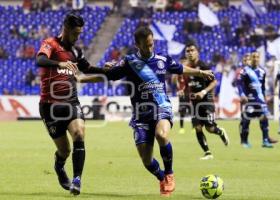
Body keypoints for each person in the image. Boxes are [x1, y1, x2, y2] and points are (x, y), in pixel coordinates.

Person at [76, 26, 214, 197]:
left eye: (151, 43)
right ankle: (162, 177)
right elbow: (107, 75)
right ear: (137, 45)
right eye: (146, 45)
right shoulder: (129, 62)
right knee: (146, 160)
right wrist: (83, 79)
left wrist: (200, 72)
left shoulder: (162, 59)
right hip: (141, 114)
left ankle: (169, 174)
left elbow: (180, 68)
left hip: (162, 106)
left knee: (162, 135)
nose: (150, 48)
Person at [36, 13, 110, 195]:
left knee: (79, 133)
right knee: (64, 150)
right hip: (49, 105)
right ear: (66, 29)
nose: (78, 37)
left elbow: (87, 68)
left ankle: (77, 180)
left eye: (80, 33)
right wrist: (61, 63)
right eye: (75, 33)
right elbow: (40, 60)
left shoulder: (76, 51)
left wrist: (107, 70)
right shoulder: (50, 44)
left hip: (70, 101)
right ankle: (59, 167)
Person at [180, 43, 229, 160]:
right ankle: (208, 153)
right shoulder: (186, 68)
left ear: (197, 52)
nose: (190, 53)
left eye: (192, 50)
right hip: (194, 103)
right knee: (197, 127)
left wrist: (203, 92)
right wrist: (183, 90)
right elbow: (186, 84)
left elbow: (214, 82)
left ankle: (220, 132)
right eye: (188, 51)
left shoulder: (203, 66)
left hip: (206, 102)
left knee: (210, 129)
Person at [237, 52, 278, 148]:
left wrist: (264, 98)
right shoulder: (245, 71)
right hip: (249, 100)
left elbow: (262, 87)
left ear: (259, 59)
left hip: (260, 100)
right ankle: (244, 141)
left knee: (264, 119)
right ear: (251, 58)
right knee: (246, 121)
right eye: (253, 57)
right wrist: (242, 94)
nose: (255, 59)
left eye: (257, 57)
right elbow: (239, 84)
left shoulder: (262, 72)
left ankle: (265, 141)